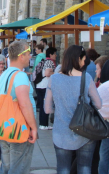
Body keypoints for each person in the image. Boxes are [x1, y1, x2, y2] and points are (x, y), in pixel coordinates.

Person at [44, 45, 101, 174]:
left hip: (61, 132)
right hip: (85, 131)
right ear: (79, 59)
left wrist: (60, 109)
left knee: (63, 168)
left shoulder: (54, 79)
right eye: (84, 59)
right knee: (85, 167)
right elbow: (98, 104)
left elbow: (47, 109)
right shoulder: (86, 78)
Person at [0, 41, 37, 174]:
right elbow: (24, 104)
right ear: (21, 56)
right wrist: (33, 127)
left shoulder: (4, 74)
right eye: (28, 53)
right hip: (20, 127)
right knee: (19, 167)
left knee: (7, 167)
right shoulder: (20, 76)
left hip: (5, 125)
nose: (30, 56)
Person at [37, 47, 57, 130]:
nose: (56, 56)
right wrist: (56, 73)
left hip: (39, 85)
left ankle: (43, 124)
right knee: (46, 105)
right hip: (45, 85)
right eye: (55, 54)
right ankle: (44, 124)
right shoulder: (49, 62)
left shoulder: (44, 61)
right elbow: (47, 73)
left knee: (42, 105)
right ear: (51, 54)